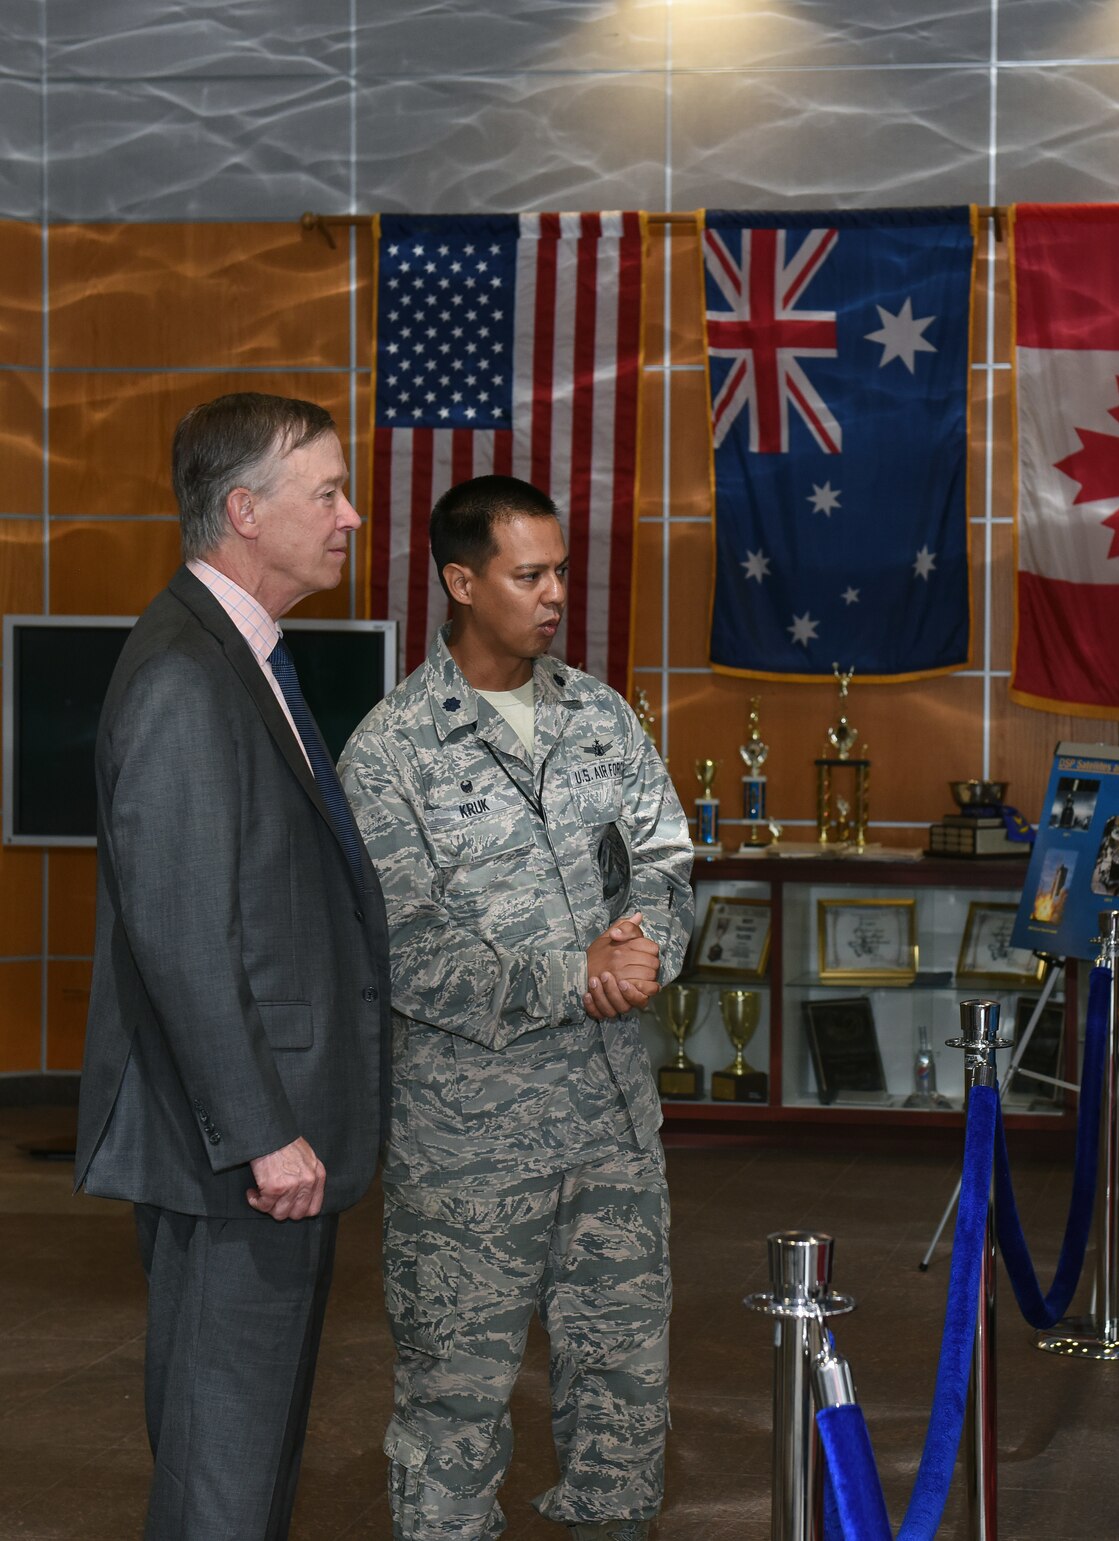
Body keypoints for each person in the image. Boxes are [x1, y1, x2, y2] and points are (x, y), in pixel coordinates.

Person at [338, 474, 692, 1541]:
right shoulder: (390, 750)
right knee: (454, 1402)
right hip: (468, 1143)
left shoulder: (599, 713)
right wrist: (571, 973)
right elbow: (401, 945)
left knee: (624, 1393)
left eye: (560, 571)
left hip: (613, 1123)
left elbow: (666, 858)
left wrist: (644, 946)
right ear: (461, 580)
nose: (553, 594)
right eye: (527, 573)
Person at [75, 392, 390, 1540]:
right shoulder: (184, 675)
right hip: (237, 1152)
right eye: (328, 492)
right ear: (245, 511)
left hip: (259, 1141)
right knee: (222, 1468)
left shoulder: (234, 656)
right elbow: (180, 936)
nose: (352, 515)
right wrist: (263, 1130)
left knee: (245, 1462)